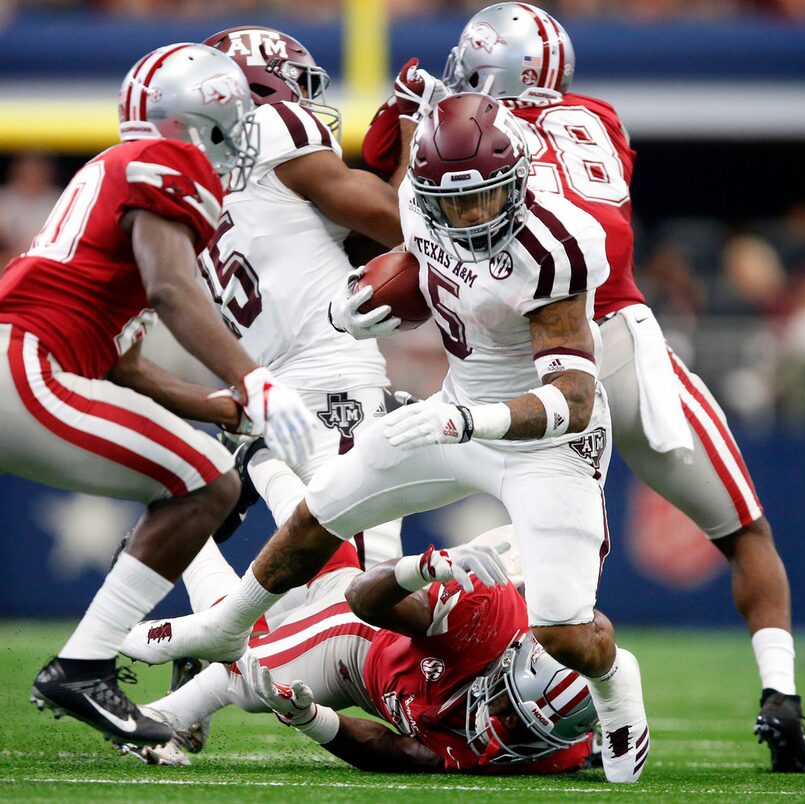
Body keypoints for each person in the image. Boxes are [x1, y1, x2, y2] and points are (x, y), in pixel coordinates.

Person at [121, 92, 650, 784]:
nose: (471, 217)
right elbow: (426, 271)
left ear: (517, 179)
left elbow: (574, 400)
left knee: (562, 630)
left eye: (486, 200)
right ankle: (227, 624)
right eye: (454, 204)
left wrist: (465, 420)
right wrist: (358, 304)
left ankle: (618, 685)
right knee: (325, 508)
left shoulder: (558, 244)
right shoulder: (423, 210)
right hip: (458, 410)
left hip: (544, 439)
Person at [363, 2, 805, 774]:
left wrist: (415, 109)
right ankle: (780, 694)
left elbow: (413, 211)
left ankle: (497, 672)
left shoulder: (464, 130)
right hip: (626, 342)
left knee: (551, 543)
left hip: (535, 352)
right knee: (743, 530)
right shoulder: (597, 118)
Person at [0, 42, 316, 748]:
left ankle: (99, 660)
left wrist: (220, 407)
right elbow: (173, 290)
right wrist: (252, 377)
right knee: (208, 483)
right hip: (26, 364)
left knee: (204, 472)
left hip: (28, 363)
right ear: (203, 116)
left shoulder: (118, 175)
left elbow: (128, 367)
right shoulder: (169, 165)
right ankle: (85, 665)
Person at [120, 526, 599, 774]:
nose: (502, 727)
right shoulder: (481, 615)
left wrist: (315, 721)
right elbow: (363, 601)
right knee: (242, 669)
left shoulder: (554, 749)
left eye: (525, 730)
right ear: (513, 659)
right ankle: (152, 719)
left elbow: (403, 753)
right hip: (357, 646)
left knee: (321, 549)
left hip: (378, 661)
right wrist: (424, 568)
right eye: (508, 708)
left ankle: (237, 481)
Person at [198, 25, 405, 571]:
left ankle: (218, 637)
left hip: (271, 383)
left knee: (315, 577)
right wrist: (415, 139)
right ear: (258, 87)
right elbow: (399, 222)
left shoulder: (193, 173)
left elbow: (341, 238)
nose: (307, 101)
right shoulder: (270, 124)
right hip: (331, 371)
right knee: (368, 578)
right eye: (296, 84)